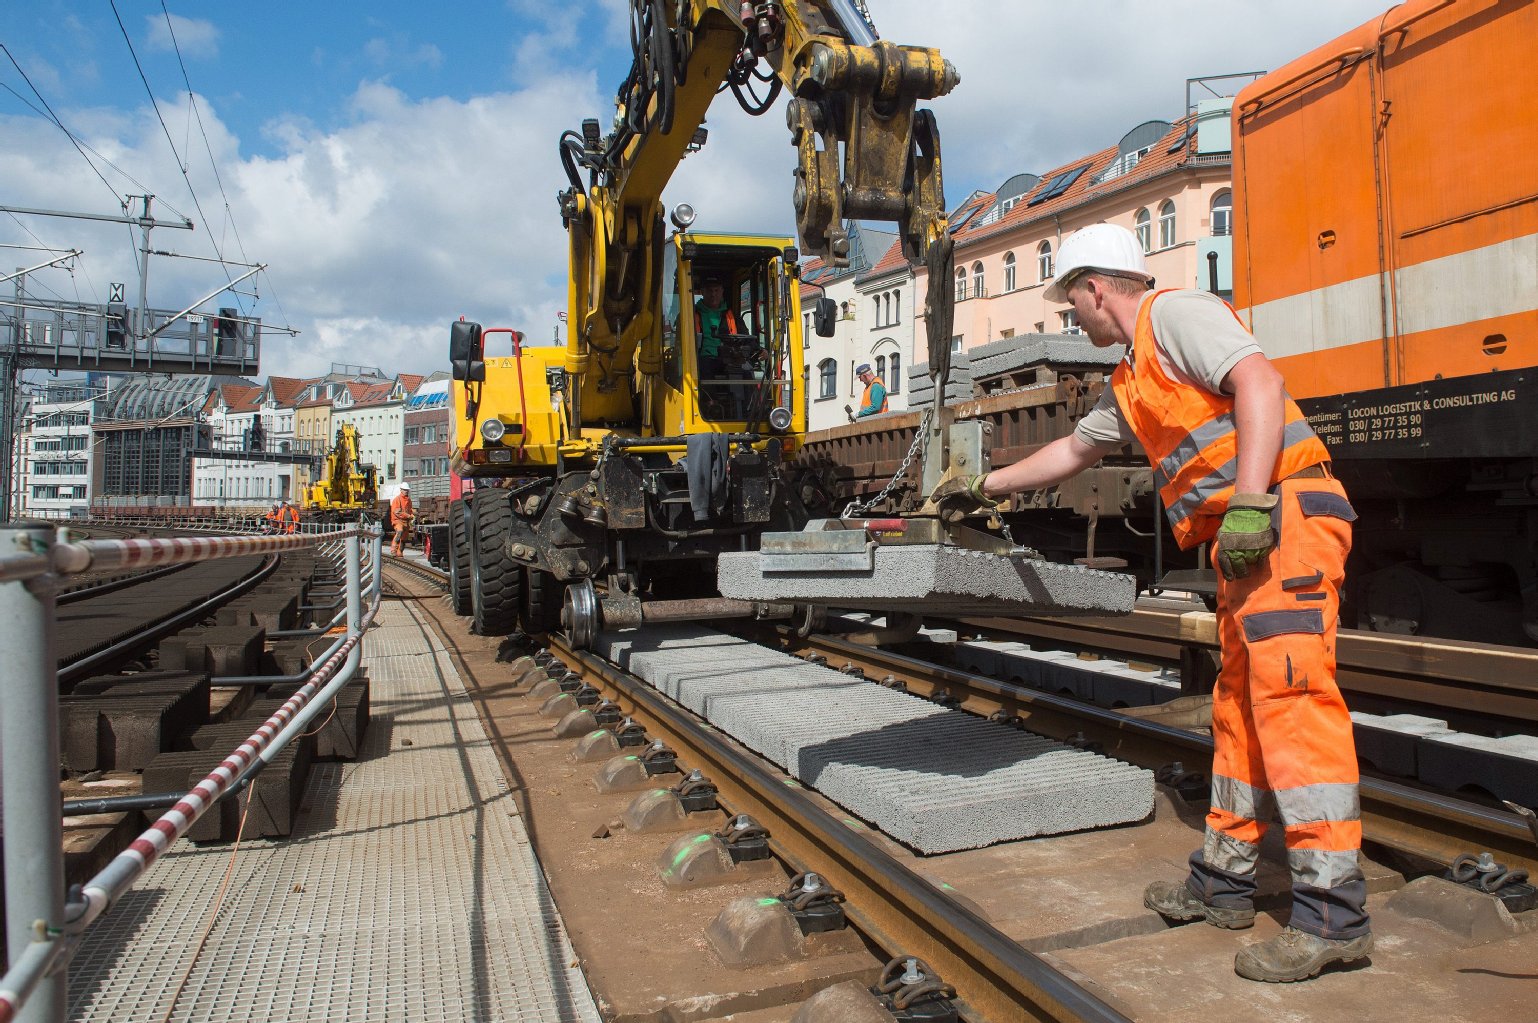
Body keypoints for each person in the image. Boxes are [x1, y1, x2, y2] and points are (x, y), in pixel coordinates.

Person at [929, 223, 1370, 984]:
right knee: (1238, 706)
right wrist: (983, 485)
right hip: (1251, 541)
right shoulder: (1132, 378)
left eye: (1073, 308)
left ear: (1098, 289)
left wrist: (1252, 502)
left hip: (1283, 521)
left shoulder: (1176, 315)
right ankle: (1227, 880)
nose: (1076, 322)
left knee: (1292, 703)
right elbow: (1073, 451)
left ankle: (1334, 914)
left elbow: (1260, 384)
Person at [390, 482, 416, 556]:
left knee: (404, 538)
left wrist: (412, 515)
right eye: (404, 490)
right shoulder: (397, 499)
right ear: (401, 490)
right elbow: (397, 512)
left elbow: (410, 510)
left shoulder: (408, 500)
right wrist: (408, 516)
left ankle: (400, 552)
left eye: (407, 490)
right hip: (397, 520)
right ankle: (393, 550)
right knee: (399, 531)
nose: (406, 491)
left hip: (406, 522)